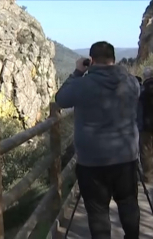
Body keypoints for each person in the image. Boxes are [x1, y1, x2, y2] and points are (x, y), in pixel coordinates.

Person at [55, 41, 141, 239]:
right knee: (128, 203)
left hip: (92, 162)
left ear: (91, 61)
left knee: (98, 212)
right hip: (126, 157)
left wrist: (77, 72)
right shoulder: (131, 82)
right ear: (114, 60)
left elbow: (60, 99)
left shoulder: (82, 84)